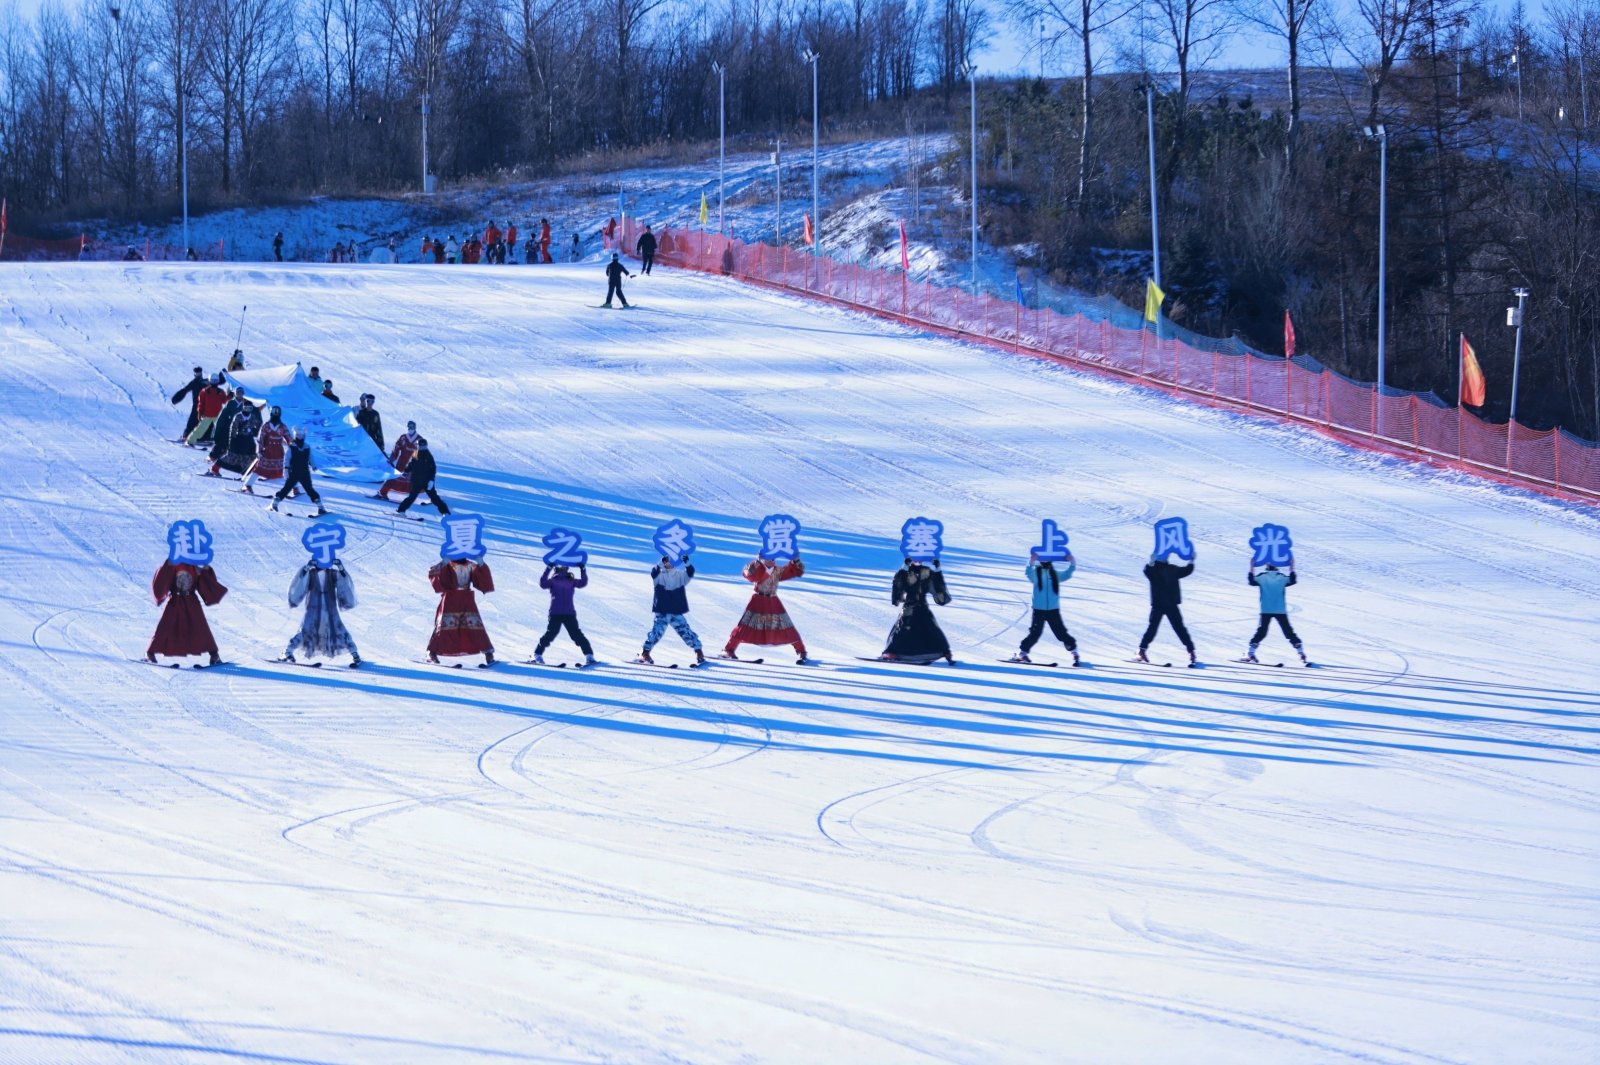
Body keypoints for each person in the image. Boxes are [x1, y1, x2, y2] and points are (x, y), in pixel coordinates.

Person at [145, 553, 228, 666]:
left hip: (191, 601)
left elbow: (206, 582)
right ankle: (149, 653)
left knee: (201, 627)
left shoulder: (195, 566)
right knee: (165, 626)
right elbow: (162, 579)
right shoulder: (172, 564)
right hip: (175, 601)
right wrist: (168, 564)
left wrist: (205, 569)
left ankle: (214, 655)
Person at [722, 555, 808, 663]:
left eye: (773, 559)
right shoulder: (758, 567)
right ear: (763, 559)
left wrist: (795, 561)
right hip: (758, 601)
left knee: (786, 626)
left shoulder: (777, 570)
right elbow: (750, 576)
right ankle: (728, 649)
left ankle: (801, 651)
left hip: (773, 602)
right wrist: (757, 563)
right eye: (768, 559)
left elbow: (792, 571)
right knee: (745, 626)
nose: (771, 561)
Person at [279, 557, 361, 667]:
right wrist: (306, 568)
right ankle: (287, 652)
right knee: (305, 630)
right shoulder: (311, 574)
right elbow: (300, 582)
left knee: (338, 630)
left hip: (330, 610)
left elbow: (344, 581)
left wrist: (341, 568)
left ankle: (355, 654)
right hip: (313, 609)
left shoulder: (332, 574)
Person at [879, 558, 954, 664]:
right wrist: (905, 566)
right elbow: (899, 583)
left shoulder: (927, 572)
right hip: (910, 606)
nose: (917, 561)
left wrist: (938, 570)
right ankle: (892, 652)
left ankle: (945, 652)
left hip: (922, 606)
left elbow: (938, 587)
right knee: (903, 628)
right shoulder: (906, 572)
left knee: (931, 629)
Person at [1012, 551, 1080, 665]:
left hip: (1053, 610)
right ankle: (1022, 653)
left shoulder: (1055, 575)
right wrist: (1031, 561)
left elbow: (1067, 574)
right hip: (1039, 609)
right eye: (1043, 561)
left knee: (1060, 632)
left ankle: (1074, 652)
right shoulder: (1036, 574)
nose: (1045, 563)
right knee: (1035, 633)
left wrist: (1072, 562)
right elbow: (1028, 572)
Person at [427, 555, 495, 665]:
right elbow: (433, 573)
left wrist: (481, 564)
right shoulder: (448, 563)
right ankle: (431, 652)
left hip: (466, 599)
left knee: (475, 625)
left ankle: (488, 653)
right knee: (444, 626)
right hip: (450, 599)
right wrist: (443, 563)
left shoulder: (470, 565)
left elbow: (483, 580)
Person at [637, 554, 704, 665]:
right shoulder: (659, 576)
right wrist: (660, 562)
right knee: (656, 632)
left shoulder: (679, 576)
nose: (668, 564)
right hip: (662, 610)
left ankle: (698, 651)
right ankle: (645, 653)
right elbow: (653, 572)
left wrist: (687, 563)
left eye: (670, 562)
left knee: (685, 631)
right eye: (666, 562)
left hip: (675, 610)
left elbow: (690, 572)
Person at [1138, 552, 1197, 666]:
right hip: (1170, 604)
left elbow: (1146, 571)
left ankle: (1142, 650)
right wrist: (1191, 561)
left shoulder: (1154, 570)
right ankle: (1191, 652)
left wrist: (1150, 563)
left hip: (1159, 605)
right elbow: (1187, 571)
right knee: (1179, 628)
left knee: (1153, 628)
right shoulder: (1171, 569)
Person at [532, 564, 596, 665]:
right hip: (556, 613)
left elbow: (583, 583)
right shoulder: (553, 581)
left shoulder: (571, 580)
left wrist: (583, 569)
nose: (563, 569)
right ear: (557, 568)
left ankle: (589, 656)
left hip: (568, 613)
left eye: (564, 568)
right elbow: (543, 584)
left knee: (576, 634)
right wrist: (548, 569)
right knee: (550, 634)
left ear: (567, 568)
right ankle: (537, 654)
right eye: (561, 568)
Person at [1245, 562, 1307, 664]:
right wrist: (1292, 567)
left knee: (1261, 632)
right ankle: (1301, 652)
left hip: (1266, 610)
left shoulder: (1262, 577)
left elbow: (1251, 581)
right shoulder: (1282, 577)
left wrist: (1251, 566)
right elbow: (1292, 580)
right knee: (1288, 632)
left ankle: (1250, 652)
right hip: (1280, 609)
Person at [269, 427, 326, 515]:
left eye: (301, 436)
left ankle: (320, 507)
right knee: (286, 488)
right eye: (298, 435)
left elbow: (310, 457)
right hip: (293, 472)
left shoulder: (307, 447)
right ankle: (274, 504)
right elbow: (286, 459)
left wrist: (313, 465)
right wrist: (286, 470)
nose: (300, 437)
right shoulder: (292, 447)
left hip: (304, 472)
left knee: (309, 489)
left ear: (304, 436)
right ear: (295, 436)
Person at [395, 437, 451, 516]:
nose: (422, 448)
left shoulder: (428, 456)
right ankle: (401, 511)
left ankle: (445, 512)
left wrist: (431, 480)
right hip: (416, 481)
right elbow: (411, 464)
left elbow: (433, 469)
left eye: (424, 446)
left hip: (426, 481)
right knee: (411, 497)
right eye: (420, 446)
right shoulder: (415, 453)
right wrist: (405, 471)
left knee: (434, 498)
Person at [242, 405, 291, 493]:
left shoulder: (282, 427)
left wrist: (295, 448)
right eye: (274, 413)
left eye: (277, 413)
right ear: (271, 414)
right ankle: (247, 485)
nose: (275, 415)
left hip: (278, 453)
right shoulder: (266, 426)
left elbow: (289, 438)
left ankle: (294, 488)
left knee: (285, 470)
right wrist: (259, 451)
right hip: (267, 451)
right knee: (259, 469)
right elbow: (260, 439)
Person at [203, 388, 246, 474]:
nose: (240, 394)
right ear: (235, 394)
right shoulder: (231, 403)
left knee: (231, 450)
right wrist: (217, 430)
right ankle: (212, 458)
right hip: (227, 429)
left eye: (241, 393)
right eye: (238, 393)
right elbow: (222, 417)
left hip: (237, 432)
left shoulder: (244, 405)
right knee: (221, 445)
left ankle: (218, 466)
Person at [379, 420, 422, 498]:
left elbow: (420, 452)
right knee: (394, 476)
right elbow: (396, 448)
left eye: (412, 427)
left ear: (415, 428)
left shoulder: (419, 439)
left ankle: (411, 498)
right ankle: (383, 493)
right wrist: (392, 458)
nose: (410, 428)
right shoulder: (403, 437)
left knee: (413, 480)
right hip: (401, 462)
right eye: (409, 427)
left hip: (412, 464)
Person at [184, 374, 229, 446]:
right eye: (213, 381)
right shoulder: (205, 391)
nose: (214, 383)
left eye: (215, 381)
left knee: (221, 430)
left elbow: (224, 400)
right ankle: (190, 441)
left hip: (217, 415)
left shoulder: (220, 391)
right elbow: (201, 403)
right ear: (209, 381)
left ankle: (223, 445)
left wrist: (230, 396)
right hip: (207, 415)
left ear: (218, 382)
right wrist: (199, 412)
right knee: (200, 430)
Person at [171, 365, 207, 438]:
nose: (197, 375)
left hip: (199, 405)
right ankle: (194, 436)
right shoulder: (204, 382)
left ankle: (187, 436)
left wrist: (175, 399)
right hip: (202, 405)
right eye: (196, 373)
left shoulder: (199, 382)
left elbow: (185, 390)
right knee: (200, 421)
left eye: (198, 373)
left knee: (196, 421)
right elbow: (185, 390)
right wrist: (175, 398)